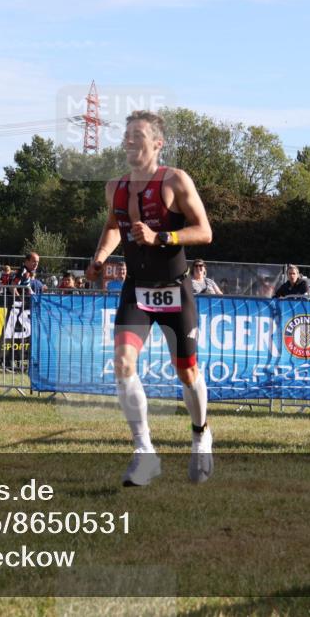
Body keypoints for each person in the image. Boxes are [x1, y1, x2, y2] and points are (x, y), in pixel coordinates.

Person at [85, 109, 214, 487]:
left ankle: (200, 433)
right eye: (126, 135)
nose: (129, 141)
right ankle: (144, 453)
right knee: (123, 363)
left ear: (157, 144)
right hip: (136, 290)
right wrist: (99, 258)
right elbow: (113, 228)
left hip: (175, 288)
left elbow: (204, 231)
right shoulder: (116, 187)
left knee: (187, 373)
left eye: (138, 135)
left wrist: (163, 238)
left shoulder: (175, 180)